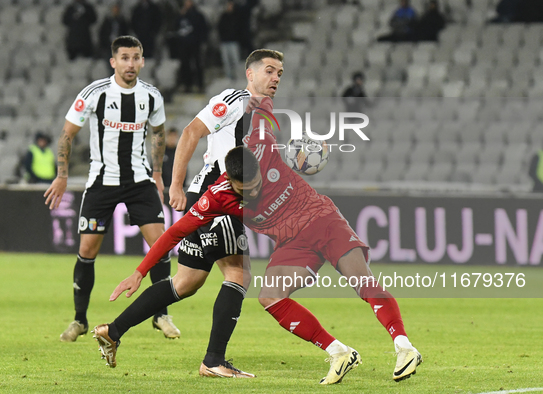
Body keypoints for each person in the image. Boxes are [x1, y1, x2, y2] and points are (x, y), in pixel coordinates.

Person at [92, 97, 422, 384]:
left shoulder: (262, 146)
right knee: (269, 296)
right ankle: (339, 352)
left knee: (362, 282)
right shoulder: (216, 197)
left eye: (255, 184)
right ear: (230, 182)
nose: (252, 192)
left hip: (323, 222)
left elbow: (264, 109)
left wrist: (264, 88)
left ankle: (405, 347)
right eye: (243, 189)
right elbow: (174, 233)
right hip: (293, 245)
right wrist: (139, 271)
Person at [91, 49, 283, 378]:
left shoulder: (263, 113)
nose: (276, 77)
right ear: (250, 74)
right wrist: (175, 185)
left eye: (280, 73)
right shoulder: (234, 100)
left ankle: (114, 330)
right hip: (215, 195)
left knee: (187, 281)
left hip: (215, 196)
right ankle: (213, 361)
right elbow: (192, 132)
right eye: (269, 71)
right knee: (238, 275)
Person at [43, 36, 180, 343]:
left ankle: (162, 315)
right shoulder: (95, 93)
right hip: (102, 181)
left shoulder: (151, 96)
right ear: (113, 62)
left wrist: (157, 173)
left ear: (142, 61)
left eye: (135, 58)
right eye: (124, 58)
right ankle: (79, 320)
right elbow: (67, 135)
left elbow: (158, 136)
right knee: (87, 249)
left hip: (139, 181)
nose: (130, 63)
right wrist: (62, 176)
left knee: (159, 245)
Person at [176, 0, 209, 93]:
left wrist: (203, 42)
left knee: (197, 64)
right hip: (184, 44)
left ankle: (199, 85)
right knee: (185, 65)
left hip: (195, 43)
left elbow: (203, 29)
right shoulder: (181, 15)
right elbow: (176, 27)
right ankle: (187, 85)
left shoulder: (198, 15)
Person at [217, 1, 242, 80]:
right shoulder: (223, 16)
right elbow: (219, 28)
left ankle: (237, 77)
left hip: (234, 41)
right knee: (226, 61)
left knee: (235, 60)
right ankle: (228, 77)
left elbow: (239, 29)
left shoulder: (237, 16)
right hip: (224, 42)